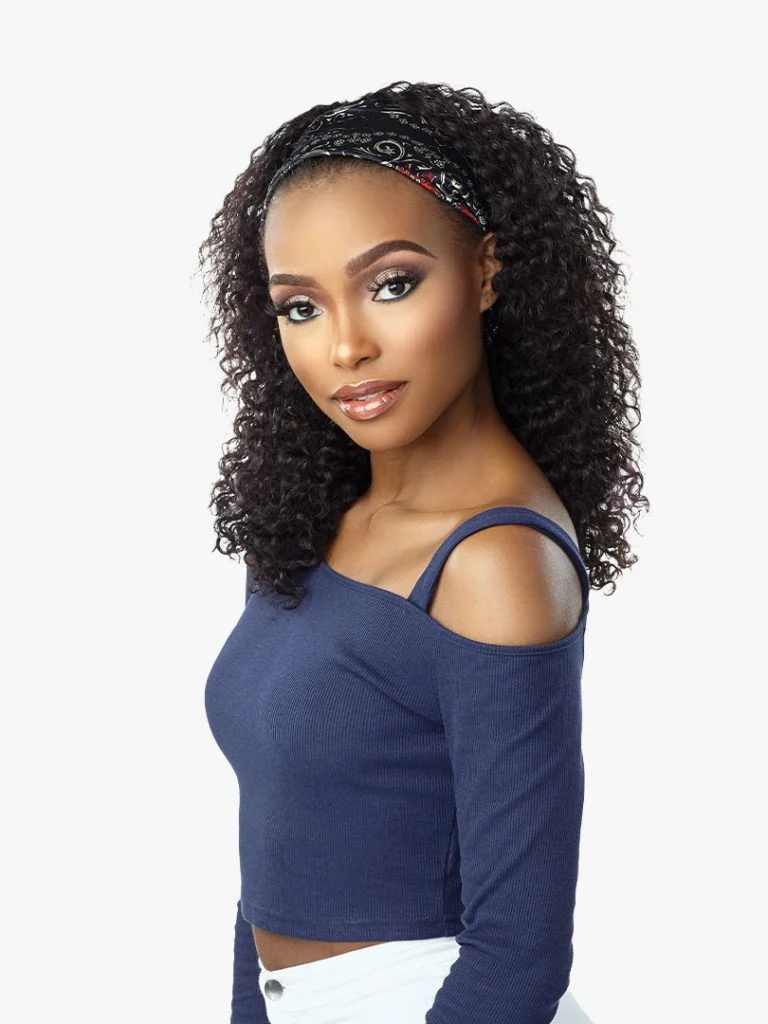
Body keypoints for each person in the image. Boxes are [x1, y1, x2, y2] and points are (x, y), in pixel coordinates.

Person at [200, 80, 648, 1024]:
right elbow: (274, 848)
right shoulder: (312, 518)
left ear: (486, 272)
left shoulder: (495, 560)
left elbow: (518, 959)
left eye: (392, 285)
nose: (346, 347)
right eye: (300, 307)